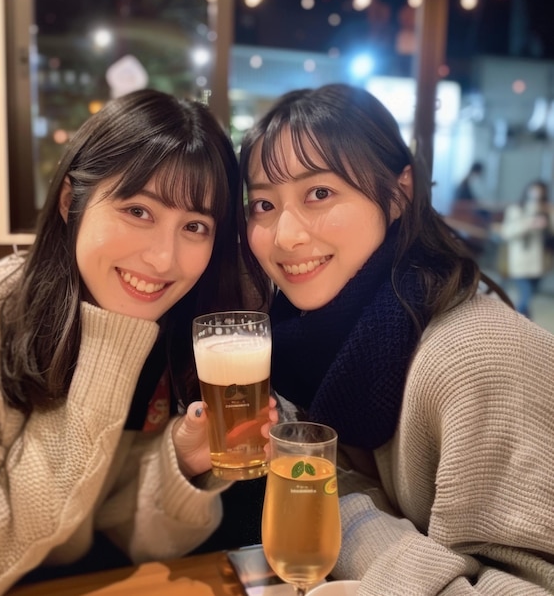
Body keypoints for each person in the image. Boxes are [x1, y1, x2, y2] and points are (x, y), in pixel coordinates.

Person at [0, 89, 276, 596]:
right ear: (73, 202)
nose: (163, 258)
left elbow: (130, 536)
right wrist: (108, 349)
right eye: (138, 211)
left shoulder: (188, 327)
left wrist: (179, 459)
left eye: (195, 226)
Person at [237, 83, 554, 595]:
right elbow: (340, 486)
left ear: (398, 191)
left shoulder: (473, 355)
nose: (285, 235)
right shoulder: (304, 343)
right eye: (263, 205)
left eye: (320, 193)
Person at [499, 179, 554, 318]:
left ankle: (526, 323)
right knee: (526, 296)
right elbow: (506, 232)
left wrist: (549, 213)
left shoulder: (547, 211)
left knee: (530, 295)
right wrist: (530, 223)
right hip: (521, 260)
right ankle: (518, 321)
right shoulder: (516, 209)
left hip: (540, 263)